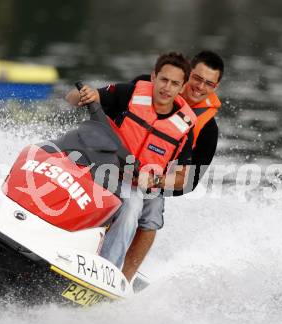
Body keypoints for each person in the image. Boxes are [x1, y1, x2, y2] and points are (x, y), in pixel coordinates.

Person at [66, 52, 197, 272]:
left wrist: (155, 179)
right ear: (154, 77)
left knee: (133, 205)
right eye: (164, 80)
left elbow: (184, 179)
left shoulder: (184, 127)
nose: (167, 88)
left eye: (175, 83)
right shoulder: (129, 93)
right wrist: (83, 94)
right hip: (101, 167)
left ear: (182, 88)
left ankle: (105, 270)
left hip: (134, 184)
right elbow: (73, 99)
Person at [122, 50, 224, 281]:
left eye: (208, 83)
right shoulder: (144, 85)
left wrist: (154, 183)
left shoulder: (208, 130)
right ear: (188, 75)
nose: (199, 87)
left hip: (155, 176)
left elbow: (190, 181)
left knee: (150, 215)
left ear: (215, 87)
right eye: (197, 79)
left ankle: (123, 279)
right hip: (118, 157)